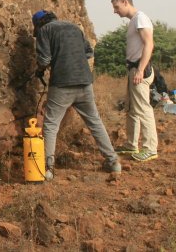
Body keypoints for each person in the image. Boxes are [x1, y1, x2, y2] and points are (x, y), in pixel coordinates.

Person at [32, 10, 121, 180]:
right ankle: (113, 162)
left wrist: (41, 69)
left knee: (51, 125)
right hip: (85, 82)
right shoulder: (74, 28)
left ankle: (48, 170)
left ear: (39, 24)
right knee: (94, 121)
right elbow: (88, 52)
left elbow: (44, 60)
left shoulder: (45, 31)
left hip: (62, 85)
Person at [110, 0, 158, 162]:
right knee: (131, 109)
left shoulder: (140, 18)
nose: (115, 11)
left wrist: (140, 70)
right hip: (133, 69)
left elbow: (149, 44)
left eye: (116, 7)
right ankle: (132, 145)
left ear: (125, 2)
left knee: (143, 109)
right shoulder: (133, 21)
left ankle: (150, 148)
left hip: (139, 69)